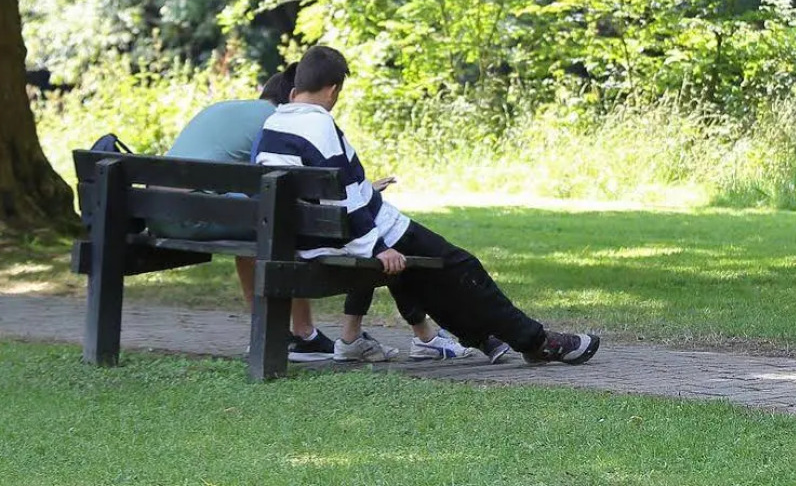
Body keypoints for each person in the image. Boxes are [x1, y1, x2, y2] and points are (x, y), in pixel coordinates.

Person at [254, 45, 600, 365]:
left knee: (420, 275)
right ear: (332, 89)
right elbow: (342, 194)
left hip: (304, 238)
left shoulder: (275, 122)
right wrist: (376, 247)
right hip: (356, 234)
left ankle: (487, 337)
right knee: (463, 267)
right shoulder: (320, 123)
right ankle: (538, 342)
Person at [156, 64, 482, 363]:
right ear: (291, 98)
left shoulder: (226, 108)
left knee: (277, 222)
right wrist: (360, 194)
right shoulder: (275, 121)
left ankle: (280, 331)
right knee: (298, 227)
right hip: (198, 217)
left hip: (160, 213)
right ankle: (301, 334)